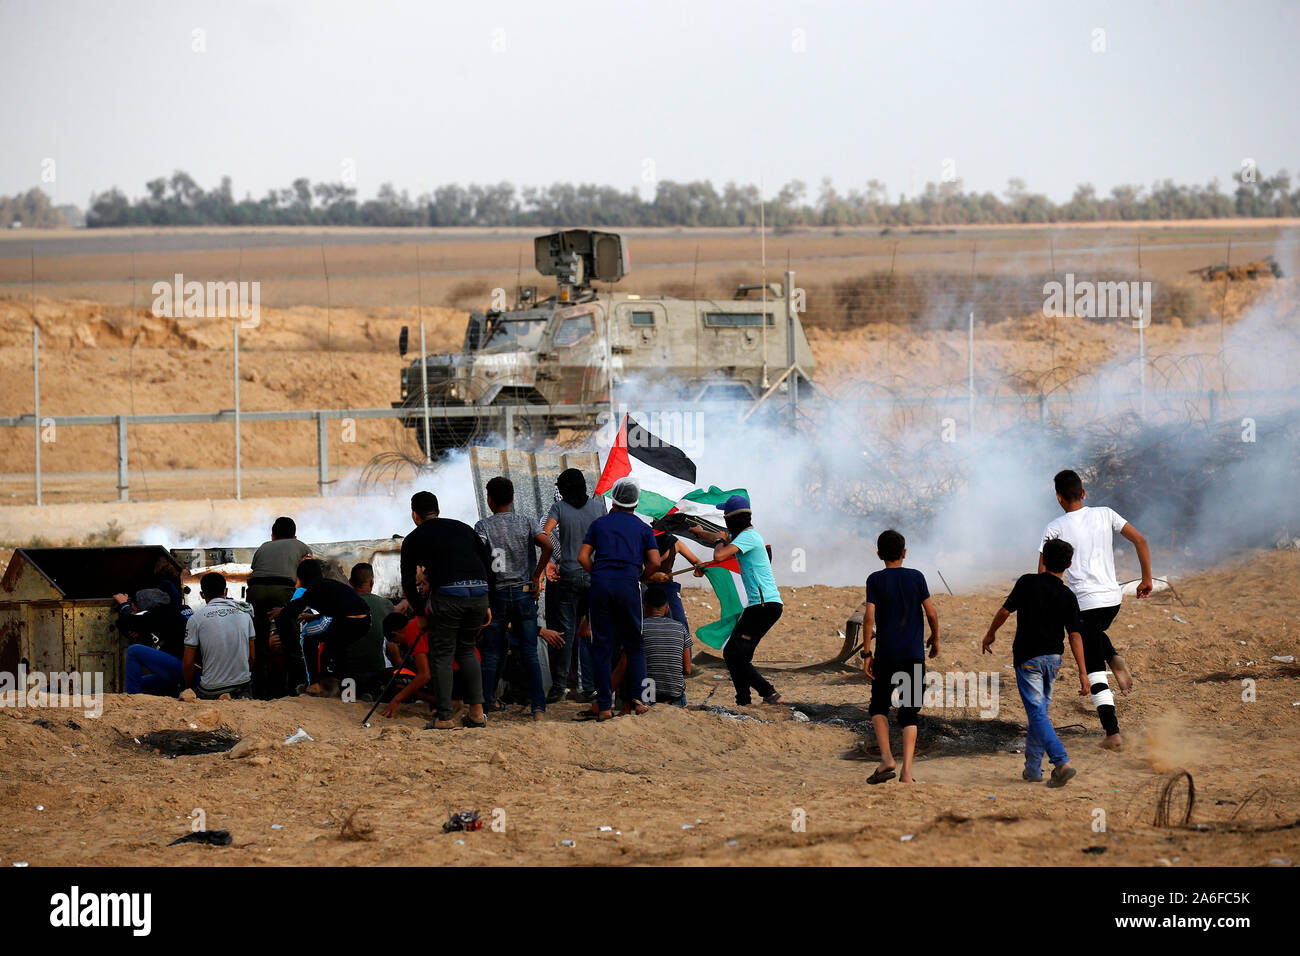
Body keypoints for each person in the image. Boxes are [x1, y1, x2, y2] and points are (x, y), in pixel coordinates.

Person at [1040, 469, 1153, 750]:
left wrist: (1047, 605)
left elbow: (1044, 572)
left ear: (1058, 498)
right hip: (1112, 600)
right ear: (1084, 493)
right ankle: (1113, 656)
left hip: (1083, 601)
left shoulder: (1054, 527)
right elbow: (1140, 540)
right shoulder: (1106, 513)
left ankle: (1112, 733)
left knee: (1092, 668)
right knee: (1093, 633)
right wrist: (1146, 578)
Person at [982, 538, 1087, 788]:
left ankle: (1061, 762)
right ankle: (1032, 769)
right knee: (1039, 715)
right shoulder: (1067, 595)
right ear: (1069, 564)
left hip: (1028, 659)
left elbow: (1005, 611)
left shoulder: (1027, 582)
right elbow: (1074, 635)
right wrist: (1083, 673)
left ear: (1043, 559)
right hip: (1053, 661)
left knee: (1038, 715)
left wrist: (990, 633)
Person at [399, 492, 495, 730]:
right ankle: (476, 713)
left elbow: (408, 581)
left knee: (442, 653)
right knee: (467, 649)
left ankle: (444, 717)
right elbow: (487, 562)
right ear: (438, 510)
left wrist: (420, 613)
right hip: (479, 591)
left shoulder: (414, 538)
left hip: (449, 595)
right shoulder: (463, 528)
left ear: (415, 515)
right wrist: (488, 601)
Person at [576, 477, 660, 722]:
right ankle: (640, 700)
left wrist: (600, 575)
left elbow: (583, 557)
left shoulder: (599, 524)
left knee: (602, 647)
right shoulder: (644, 529)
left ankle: (604, 707)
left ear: (613, 499)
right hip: (628, 584)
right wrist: (641, 578)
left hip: (601, 585)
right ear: (636, 502)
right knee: (635, 644)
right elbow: (654, 562)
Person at [861, 529, 939, 785]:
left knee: (878, 706)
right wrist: (935, 638)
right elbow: (931, 612)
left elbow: (869, 616)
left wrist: (866, 653)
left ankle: (886, 759)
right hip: (913, 655)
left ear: (879, 554)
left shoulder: (875, 579)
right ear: (905, 553)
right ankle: (907, 773)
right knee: (909, 714)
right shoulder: (917, 577)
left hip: (886, 655)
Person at [693, 494, 786, 709]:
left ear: (731, 519)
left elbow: (719, 555)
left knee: (732, 653)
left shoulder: (749, 537)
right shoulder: (745, 537)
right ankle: (744, 700)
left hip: (762, 606)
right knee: (738, 655)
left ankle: (769, 692)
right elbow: (720, 539)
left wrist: (717, 540)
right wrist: (701, 533)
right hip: (763, 606)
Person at [475, 476, 552, 720]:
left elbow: (478, 556)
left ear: (490, 500)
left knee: (491, 653)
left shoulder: (483, 526)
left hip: (497, 596)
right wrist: (537, 576)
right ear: (512, 498)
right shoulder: (527, 522)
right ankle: (538, 709)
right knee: (529, 652)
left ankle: (483, 708)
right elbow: (547, 546)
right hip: (524, 594)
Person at [537, 468, 606, 703]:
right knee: (588, 630)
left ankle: (559, 686)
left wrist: (548, 562)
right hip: (594, 575)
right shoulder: (598, 507)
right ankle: (588, 686)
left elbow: (544, 533)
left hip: (568, 576)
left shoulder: (559, 508)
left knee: (565, 631)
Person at [271, 558, 371, 696]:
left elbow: (292, 611)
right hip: (365, 621)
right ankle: (349, 692)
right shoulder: (332, 585)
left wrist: (280, 612)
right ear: (321, 574)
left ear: (300, 578)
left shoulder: (311, 588)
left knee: (307, 634)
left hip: (344, 621)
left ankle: (313, 684)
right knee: (340, 650)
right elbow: (338, 607)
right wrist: (315, 617)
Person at [247, 517, 312, 697]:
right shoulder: (301, 546)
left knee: (260, 646)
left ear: (273, 536)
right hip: (282, 590)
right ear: (295, 536)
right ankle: (296, 690)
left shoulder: (263, 547)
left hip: (255, 592)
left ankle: (260, 693)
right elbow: (309, 571)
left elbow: (257, 570)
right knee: (291, 644)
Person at [183, 572, 255, 700]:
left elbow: (188, 663)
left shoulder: (195, 619)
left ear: (202, 594)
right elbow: (251, 657)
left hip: (211, 690)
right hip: (242, 686)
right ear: (226, 591)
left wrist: (189, 690)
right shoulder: (245, 615)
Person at [115, 587, 189, 696]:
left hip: (186, 672)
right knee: (142, 683)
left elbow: (124, 621)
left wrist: (124, 605)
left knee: (133, 651)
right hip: (181, 673)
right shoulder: (167, 615)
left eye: (134, 607)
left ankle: (132, 698)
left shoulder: (159, 615)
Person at [345, 562, 395, 699]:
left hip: (348, 673)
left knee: (347, 693)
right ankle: (372, 692)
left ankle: (352, 694)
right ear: (372, 582)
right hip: (377, 671)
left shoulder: (341, 604)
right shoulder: (386, 604)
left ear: (350, 582)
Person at [641, 585, 692, 706]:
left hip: (647, 697)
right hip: (675, 698)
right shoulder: (680, 628)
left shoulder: (640, 628)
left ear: (644, 608)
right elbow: (687, 669)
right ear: (667, 608)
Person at [646, 530, 704, 632]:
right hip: (645, 586)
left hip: (667, 587)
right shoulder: (644, 539)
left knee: (680, 623)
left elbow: (696, 562)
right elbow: (635, 569)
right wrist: (651, 577)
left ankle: (684, 647)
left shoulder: (674, 543)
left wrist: (700, 568)